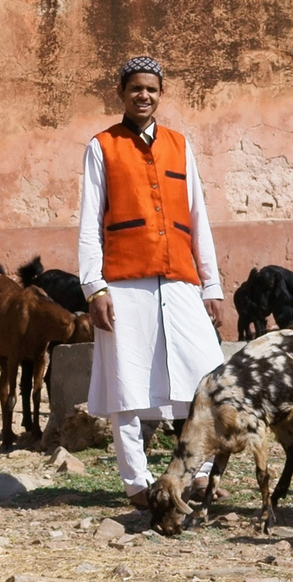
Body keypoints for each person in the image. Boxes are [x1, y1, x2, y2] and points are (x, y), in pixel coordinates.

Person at [77, 56, 226, 509]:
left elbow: (198, 217)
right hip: (123, 282)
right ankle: (136, 483)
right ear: (121, 93)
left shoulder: (180, 146)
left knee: (202, 377)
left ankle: (196, 473)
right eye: (135, 88)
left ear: (161, 95)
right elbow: (88, 223)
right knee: (127, 385)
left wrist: (211, 286)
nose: (144, 95)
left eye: (152, 89)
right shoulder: (101, 147)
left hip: (179, 279)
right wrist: (94, 287)